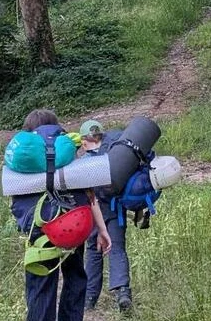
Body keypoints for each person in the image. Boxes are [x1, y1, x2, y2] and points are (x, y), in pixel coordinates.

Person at [11, 109, 112, 321]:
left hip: (40, 228)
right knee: (75, 276)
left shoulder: (23, 155)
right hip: (72, 222)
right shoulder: (68, 149)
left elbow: (16, 195)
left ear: (29, 130)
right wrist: (102, 230)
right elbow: (89, 193)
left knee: (41, 283)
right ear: (56, 127)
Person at [74, 119, 134, 313]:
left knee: (93, 252)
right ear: (102, 135)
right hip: (115, 209)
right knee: (116, 248)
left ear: (84, 140)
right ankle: (123, 292)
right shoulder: (114, 156)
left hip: (92, 213)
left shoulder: (83, 162)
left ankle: (90, 298)